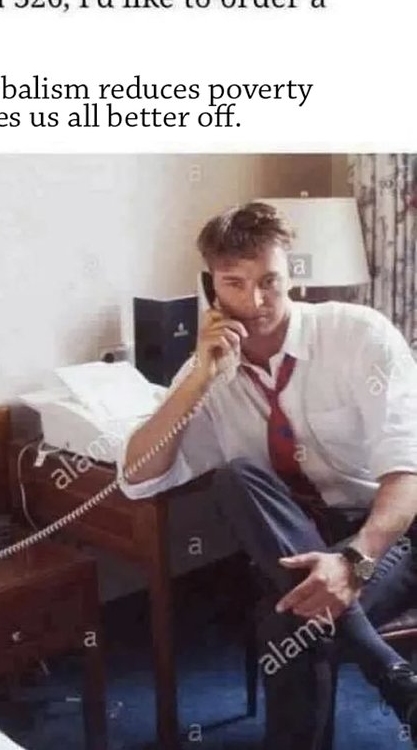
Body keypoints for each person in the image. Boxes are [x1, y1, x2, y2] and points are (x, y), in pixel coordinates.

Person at [119, 201, 417, 749]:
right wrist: (197, 379)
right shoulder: (209, 371)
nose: (255, 302)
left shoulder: (357, 335)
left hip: (389, 533)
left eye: (269, 282)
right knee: (236, 478)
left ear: (291, 276)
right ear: (210, 287)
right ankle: (392, 674)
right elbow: (137, 477)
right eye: (234, 283)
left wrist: (352, 561)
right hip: (299, 539)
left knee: (292, 622)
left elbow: (407, 473)